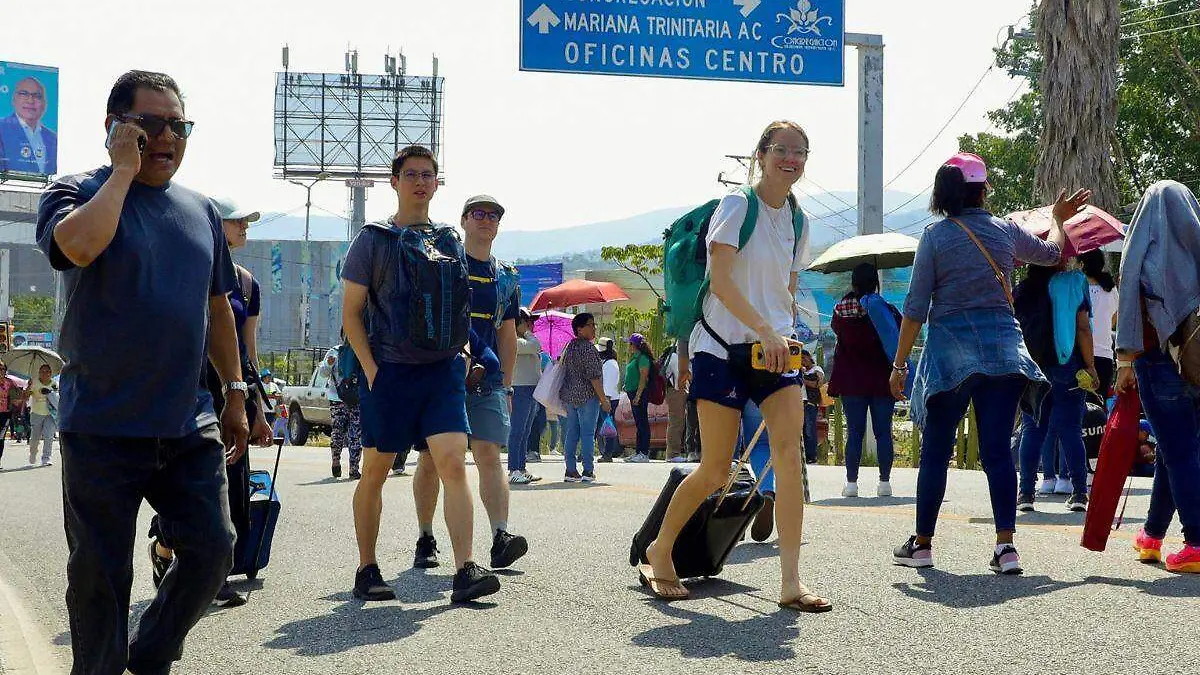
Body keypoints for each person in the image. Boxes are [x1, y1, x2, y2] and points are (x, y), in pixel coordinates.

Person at [36, 70, 250, 674]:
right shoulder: (75, 191)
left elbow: (218, 306)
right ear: (115, 127)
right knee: (100, 578)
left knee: (213, 552)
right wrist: (124, 173)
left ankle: (150, 652)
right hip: (100, 424)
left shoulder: (201, 210)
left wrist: (234, 392)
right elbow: (76, 248)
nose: (167, 137)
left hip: (185, 422)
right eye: (150, 124)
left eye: (178, 125)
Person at [642, 120, 828, 611]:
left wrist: (790, 339)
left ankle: (790, 582)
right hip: (721, 346)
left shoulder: (798, 219)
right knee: (716, 468)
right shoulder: (738, 205)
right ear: (762, 155)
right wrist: (762, 330)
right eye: (782, 149)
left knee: (789, 455)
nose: (791, 158)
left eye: (800, 152)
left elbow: (785, 290)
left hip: (773, 350)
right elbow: (720, 282)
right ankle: (660, 550)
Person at [887, 151, 1083, 574]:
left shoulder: (935, 237)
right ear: (984, 190)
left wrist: (899, 365)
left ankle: (922, 544)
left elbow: (916, 307)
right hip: (1003, 352)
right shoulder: (1006, 231)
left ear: (943, 192)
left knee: (937, 451)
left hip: (951, 353)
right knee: (996, 451)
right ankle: (1005, 547)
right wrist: (1060, 218)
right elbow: (1052, 253)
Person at [342, 144, 499, 603]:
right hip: (389, 372)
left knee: (453, 462)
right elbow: (351, 314)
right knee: (375, 470)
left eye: (427, 174)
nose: (419, 182)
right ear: (394, 182)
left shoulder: (449, 240)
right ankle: (367, 568)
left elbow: (461, 308)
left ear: (436, 182)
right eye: (410, 174)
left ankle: (465, 569)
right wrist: (372, 371)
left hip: (442, 373)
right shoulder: (372, 240)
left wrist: (468, 356)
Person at [148, 195, 274, 608]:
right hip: (189, 386)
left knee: (230, 483)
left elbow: (247, 348)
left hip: (231, 388)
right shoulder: (187, 272)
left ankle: (211, 572)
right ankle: (167, 549)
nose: (245, 228)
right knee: (191, 478)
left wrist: (257, 404)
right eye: (238, 221)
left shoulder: (249, 283)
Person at [412, 194, 530, 573]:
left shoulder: (506, 276)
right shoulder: (445, 264)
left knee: (489, 456)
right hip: (443, 376)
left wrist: (506, 385)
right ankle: (426, 536)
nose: (486, 220)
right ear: (463, 220)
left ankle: (500, 536)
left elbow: (508, 334)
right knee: (432, 460)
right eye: (478, 214)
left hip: (487, 379)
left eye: (493, 215)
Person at [1116, 180, 1200, 574]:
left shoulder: (1144, 250)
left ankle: (1196, 541)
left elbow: (1130, 287)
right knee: (1172, 445)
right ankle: (1151, 535)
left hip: (1156, 359)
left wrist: (1125, 359)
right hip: (1196, 362)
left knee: (1180, 449)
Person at [1014, 261, 1096, 514]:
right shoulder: (1074, 282)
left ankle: (1026, 492)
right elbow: (1083, 327)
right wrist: (1091, 366)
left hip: (1032, 366)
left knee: (1032, 430)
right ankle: (1080, 493)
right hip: (1067, 363)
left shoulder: (1023, 288)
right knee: (1070, 430)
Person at [829, 262, 898, 497]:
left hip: (852, 382)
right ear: (875, 283)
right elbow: (895, 332)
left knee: (854, 433)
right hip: (881, 380)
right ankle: (885, 483)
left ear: (853, 283)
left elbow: (838, 332)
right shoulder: (884, 309)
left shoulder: (840, 312)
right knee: (883, 432)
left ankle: (851, 484)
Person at [557, 313, 612, 482]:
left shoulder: (569, 347)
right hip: (588, 397)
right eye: (590, 324)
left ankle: (570, 469)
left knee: (571, 433)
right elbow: (594, 377)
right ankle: (588, 470)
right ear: (579, 329)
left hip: (570, 396)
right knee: (587, 434)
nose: (594, 327)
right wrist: (604, 400)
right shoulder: (589, 349)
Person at [508, 308, 544, 483]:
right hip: (520, 389)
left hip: (531, 389)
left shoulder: (525, 340)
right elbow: (536, 345)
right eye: (527, 321)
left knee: (525, 431)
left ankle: (521, 467)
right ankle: (513, 469)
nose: (531, 325)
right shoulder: (514, 340)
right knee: (517, 431)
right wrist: (526, 332)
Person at [0, 76, 58, 175]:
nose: (30, 101)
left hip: (40, 189)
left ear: (44, 104)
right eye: (24, 94)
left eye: (37, 96)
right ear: (14, 99)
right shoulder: (2, 128)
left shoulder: (52, 138)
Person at [1079, 249, 1118, 398]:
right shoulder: (1111, 289)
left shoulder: (1079, 290)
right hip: (1106, 356)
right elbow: (1115, 317)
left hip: (1083, 356)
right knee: (1099, 409)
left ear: (1082, 264)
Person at [320, 347, 362, 480]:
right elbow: (323, 373)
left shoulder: (360, 348)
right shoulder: (335, 352)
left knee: (352, 433)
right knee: (343, 432)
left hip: (352, 399)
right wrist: (329, 363)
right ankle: (338, 462)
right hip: (340, 398)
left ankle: (352, 468)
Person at [624, 333, 655, 463]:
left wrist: (638, 395)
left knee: (642, 422)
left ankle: (644, 452)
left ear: (634, 345)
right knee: (638, 422)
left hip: (639, 393)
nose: (628, 346)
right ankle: (638, 452)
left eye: (630, 343)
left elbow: (643, 378)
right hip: (633, 392)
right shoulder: (634, 357)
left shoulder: (643, 358)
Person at [596, 337, 623, 462]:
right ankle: (605, 452)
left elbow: (608, 384)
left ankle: (608, 453)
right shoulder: (607, 362)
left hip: (608, 399)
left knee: (608, 426)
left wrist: (604, 400)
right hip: (606, 398)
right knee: (603, 426)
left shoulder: (610, 364)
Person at [661, 342, 688, 462]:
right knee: (677, 423)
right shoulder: (676, 358)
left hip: (671, 391)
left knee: (674, 422)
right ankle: (673, 453)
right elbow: (679, 379)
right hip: (676, 391)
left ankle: (672, 452)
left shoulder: (671, 356)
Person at [799, 350, 825, 464]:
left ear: (810, 357)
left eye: (804, 358)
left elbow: (817, 383)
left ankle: (811, 455)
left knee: (810, 430)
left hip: (810, 403)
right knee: (802, 430)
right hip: (799, 402)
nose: (803, 361)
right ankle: (803, 455)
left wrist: (802, 379)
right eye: (801, 359)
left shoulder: (817, 369)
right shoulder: (800, 371)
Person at [0, 362, 14, 466]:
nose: (1, 371)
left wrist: (29, 386)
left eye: (3, 369)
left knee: (0, 438)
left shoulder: (9, 383)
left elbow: (18, 396)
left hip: (5, 415)